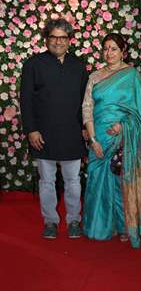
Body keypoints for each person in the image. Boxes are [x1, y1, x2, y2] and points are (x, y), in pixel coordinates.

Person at [82, 33, 141, 249]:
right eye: (106, 48)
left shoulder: (132, 76)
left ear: (123, 52)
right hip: (99, 138)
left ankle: (125, 226)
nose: (109, 53)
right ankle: (98, 227)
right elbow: (87, 108)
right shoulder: (95, 77)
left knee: (120, 183)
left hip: (123, 139)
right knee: (97, 180)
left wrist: (123, 126)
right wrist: (93, 139)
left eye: (114, 49)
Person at [20, 18, 88, 239]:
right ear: (46, 38)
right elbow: (26, 100)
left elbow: (86, 101)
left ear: (69, 40)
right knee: (47, 182)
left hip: (72, 133)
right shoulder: (33, 64)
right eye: (53, 37)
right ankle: (50, 221)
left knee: (73, 181)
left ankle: (74, 221)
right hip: (43, 134)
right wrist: (31, 129)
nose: (58, 41)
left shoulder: (78, 66)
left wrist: (86, 127)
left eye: (63, 37)